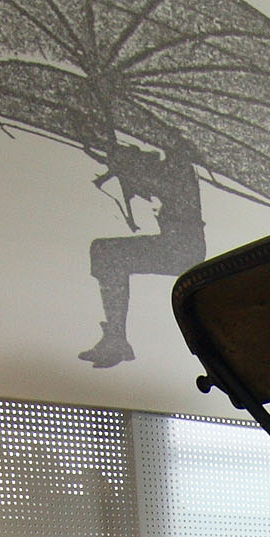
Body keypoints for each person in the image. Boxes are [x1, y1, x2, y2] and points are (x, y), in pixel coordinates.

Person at [78, 133, 206, 368]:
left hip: (181, 249)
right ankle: (115, 336)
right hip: (175, 244)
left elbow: (151, 182)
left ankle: (116, 337)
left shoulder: (180, 172)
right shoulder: (174, 169)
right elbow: (147, 180)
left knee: (106, 252)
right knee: (105, 251)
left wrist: (124, 164)